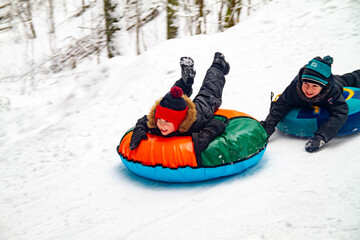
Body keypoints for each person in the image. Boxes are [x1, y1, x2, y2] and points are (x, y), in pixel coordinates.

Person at [129, 52, 230, 165]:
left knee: (209, 91)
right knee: (172, 97)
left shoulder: (194, 124)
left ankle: (218, 64)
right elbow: (144, 120)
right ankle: (185, 82)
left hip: (199, 112)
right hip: (175, 110)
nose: (161, 125)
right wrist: (139, 130)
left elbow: (218, 124)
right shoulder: (156, 125)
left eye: (167, 122)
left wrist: (205, 136)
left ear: (178, 123)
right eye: (159, 120)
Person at [260, 55, 360, 152]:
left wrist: (321, 137)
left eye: (314, 86)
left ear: (323, 87)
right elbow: (280, 105)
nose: (308, 90)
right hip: (316, 83)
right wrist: (268, 126)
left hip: (336, 82)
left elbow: (341, 112)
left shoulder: (331, 91)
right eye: (306, 84)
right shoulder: (295, 88)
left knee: (349, 78)